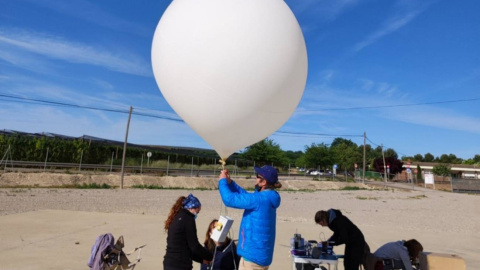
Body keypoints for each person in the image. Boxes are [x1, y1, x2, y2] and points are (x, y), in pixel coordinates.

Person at [218, 165, 282, 270]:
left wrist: (222, 181)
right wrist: (230, 183)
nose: (255, 178)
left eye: (257, 176)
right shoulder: (268, 197)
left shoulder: (259, 199)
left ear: (263, 182)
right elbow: (247, 196)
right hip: (262, 256)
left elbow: (229, 199)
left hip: (252, 259)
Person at [163, 194, 213, 270]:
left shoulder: (176, 218)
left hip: (169, 262)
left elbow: (187, 248)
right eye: (197, 212)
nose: (196, 214)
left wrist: (202, 260)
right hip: (179, 265)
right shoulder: (188, 219)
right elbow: (194, 246)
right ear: (192, 208)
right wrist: (211, 256)